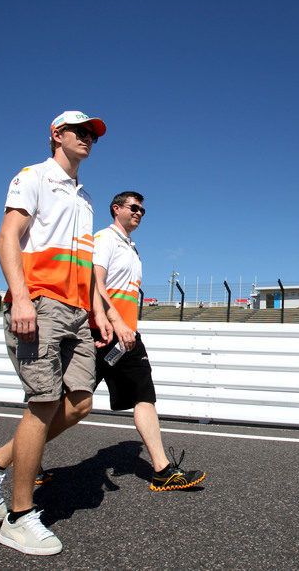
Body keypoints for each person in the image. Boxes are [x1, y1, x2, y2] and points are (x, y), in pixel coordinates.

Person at [0, 110, 113, 556]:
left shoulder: (85, 197)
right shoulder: (34, 176)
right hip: (40, 302)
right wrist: (21, 296)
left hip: (76, 310)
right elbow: (8, 235)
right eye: (80, 131)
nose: (88, 138)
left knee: (80, 403)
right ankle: (20, 516)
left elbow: (86, 264)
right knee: (44, 403)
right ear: (57, 134)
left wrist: (98, 311)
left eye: (93, 134)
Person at [92, 191, 206, 491]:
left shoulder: (132, 248)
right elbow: (94, 282)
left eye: (143, 209)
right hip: (102, 331)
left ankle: (161, 470)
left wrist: (126, 327)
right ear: (116, 209)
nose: (139, 212)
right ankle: (20, 455)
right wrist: (113, 321)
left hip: (128, 336)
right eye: (134, 207)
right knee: (70, 405)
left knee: (145, 395)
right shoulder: (105, 239)